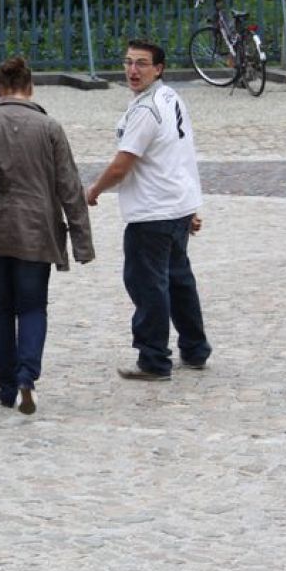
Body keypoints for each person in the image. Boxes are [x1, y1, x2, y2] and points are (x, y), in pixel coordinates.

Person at [0, 55, 94, 415]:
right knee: (32, 306)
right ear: (31, 87)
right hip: (36, 231)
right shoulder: (49, 127)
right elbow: (69, 187)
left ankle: (5, 387)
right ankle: (27, 376)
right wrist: (82, 242)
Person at [85, 39, 212, 381]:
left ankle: (154, 359)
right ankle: (195, 349)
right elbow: (182, 154)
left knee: (147, 285)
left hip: (152, 211)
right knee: (179, 282)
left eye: (141, 63)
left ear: (158, 69)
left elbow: (121, 165)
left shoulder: (146, 110)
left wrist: (94, 191)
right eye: (128, 62)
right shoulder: (171, 98)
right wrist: (190, 204)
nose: (132, 70)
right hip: (176, 205)